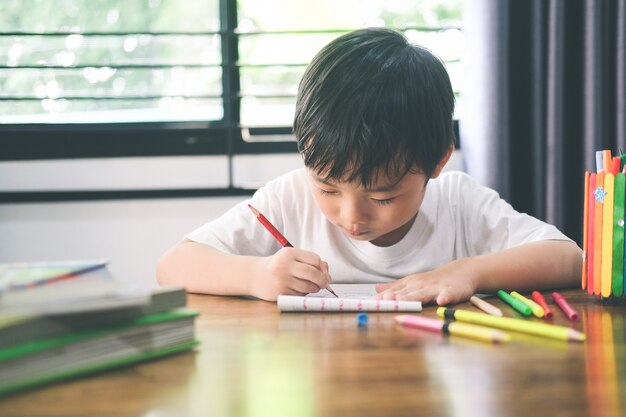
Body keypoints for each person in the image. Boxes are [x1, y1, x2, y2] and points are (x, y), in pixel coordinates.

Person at [157, 27, 581, 305]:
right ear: (306, 150)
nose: (351, 216)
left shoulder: (458, 203)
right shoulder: (288, 199)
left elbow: (570, 259)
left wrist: (467, 272)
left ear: (436, 162)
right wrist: (257, 275)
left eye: (383, 196)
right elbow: (172, 265)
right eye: (327, 189)